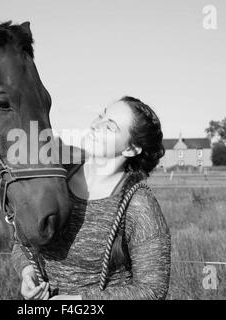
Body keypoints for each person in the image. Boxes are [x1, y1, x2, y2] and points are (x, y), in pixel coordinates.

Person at [11, 96, 171, 300]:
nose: (96, 125)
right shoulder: (55, 179)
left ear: (131, 149)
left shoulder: (138, 204)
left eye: (110, 127)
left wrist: (78, 302)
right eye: (101, 115)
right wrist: (27, 272)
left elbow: (152, 290)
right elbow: (22, 242)